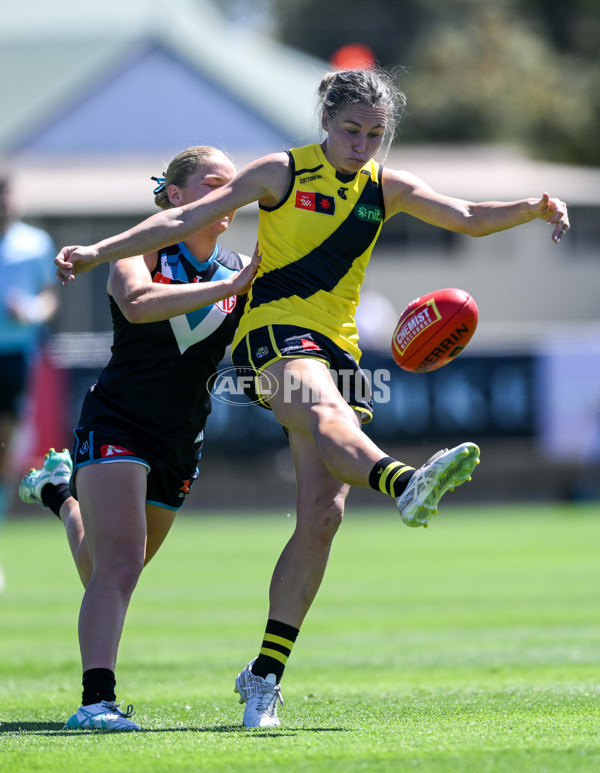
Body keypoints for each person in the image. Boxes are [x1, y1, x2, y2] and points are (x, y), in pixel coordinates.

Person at [54, 67, 570, 729]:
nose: (361, 144)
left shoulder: (386, 188)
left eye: (375, 134)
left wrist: (533, 207)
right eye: (351, 130)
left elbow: (467, 215)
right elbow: (182, 217)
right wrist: (98, 249)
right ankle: (406, 479)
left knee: (323, 513)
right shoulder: (281, 172)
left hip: (339, 345)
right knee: (324, 409)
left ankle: (263, 676)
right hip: (272, 335)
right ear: (326, 121)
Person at [20, 146, 260, 731]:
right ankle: (95, 703)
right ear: (176, 195)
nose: (226, 194)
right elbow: (138, 301)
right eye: (212, 182)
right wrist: (234, 286)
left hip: (181, 437)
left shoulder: (237, 264)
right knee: (120, 563)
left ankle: (57, 495)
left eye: (233, 185)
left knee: (106, 568)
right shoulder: (143, 248)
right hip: (118, 420)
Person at [0, 175, 58, 593]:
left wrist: (34, 311)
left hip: (15, 356)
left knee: (5, 448)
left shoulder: (34, 243)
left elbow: (48, 293)